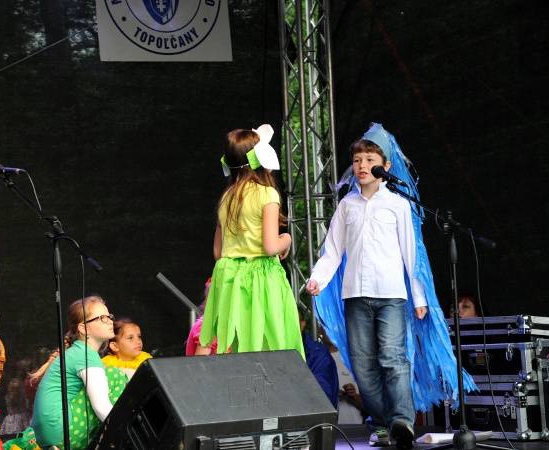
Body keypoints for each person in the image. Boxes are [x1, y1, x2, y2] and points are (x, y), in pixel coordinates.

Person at [306, 123, 475, 449]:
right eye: (357, 160)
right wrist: (318, 278)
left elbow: (411, 255)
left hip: (392, 295)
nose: (362, 165)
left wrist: (419, 296)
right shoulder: (347, 206)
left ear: (384, 165)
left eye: (369, 159)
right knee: (363, 365)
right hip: (355, 296)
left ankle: (402, 421)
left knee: (393, 358)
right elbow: (333, 251)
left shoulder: (397, 204)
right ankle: (384, 422)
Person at [199, 125, 304, 358]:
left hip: (230, 282)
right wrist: (286, 239)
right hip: (261, 279)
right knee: (272, 345)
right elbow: (270, 246)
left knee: (242, 348)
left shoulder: (226, 197)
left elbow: (218, 252)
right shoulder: (267, 194)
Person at [29, 296, 128, 450]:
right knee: (115, 375)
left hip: (47, 435)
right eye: (102, 318)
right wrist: (127, 432)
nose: (110, 321)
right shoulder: (85, 354)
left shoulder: (77, 352)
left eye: (109, 316)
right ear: (83, 328)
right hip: (61, 431)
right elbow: (101, 407)